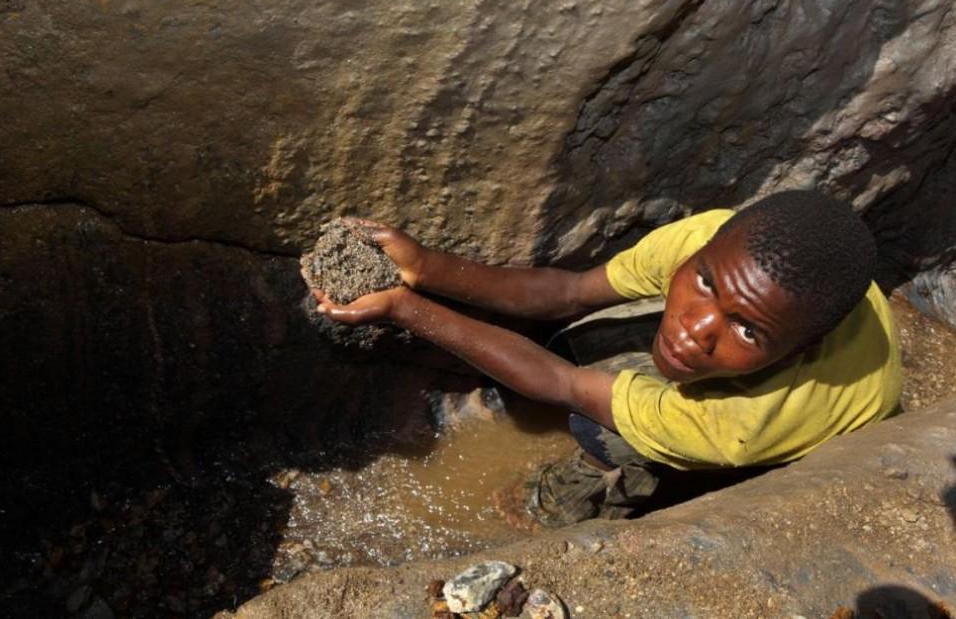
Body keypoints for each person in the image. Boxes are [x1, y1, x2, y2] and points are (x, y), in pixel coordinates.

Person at [304, 190, 902, 526]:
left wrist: (405, 309)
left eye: (745, 329)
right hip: (781, 347)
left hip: (777, 432)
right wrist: (423, 267)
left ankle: (559, 507)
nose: (695, 330)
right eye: (704, 284)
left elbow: (561, 384)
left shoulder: (734, 427)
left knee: (608, 433)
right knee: (599, 332)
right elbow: (568, 291)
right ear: (709, 248)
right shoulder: (719, 245)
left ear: (800, 348)